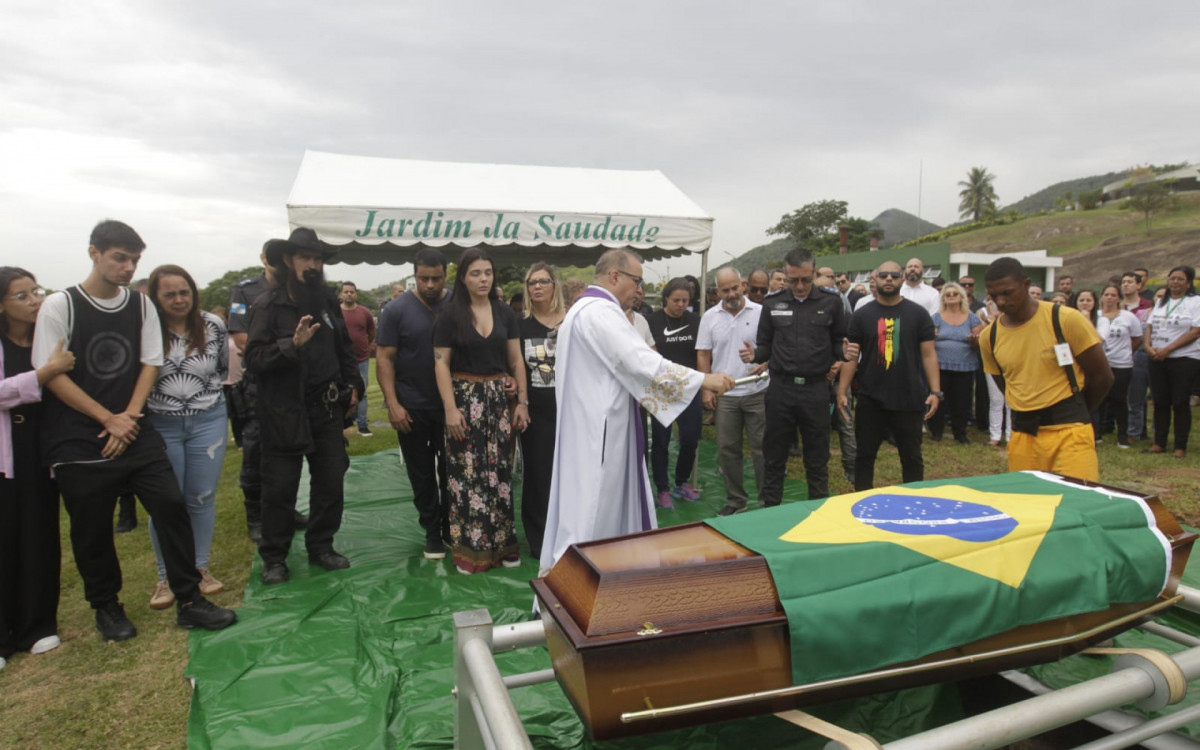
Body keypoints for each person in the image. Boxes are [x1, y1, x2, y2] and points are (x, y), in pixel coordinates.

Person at [32, 220, 236, 639]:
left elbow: (150, 362)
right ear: (94, 253)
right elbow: (50, 375)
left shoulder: (140, 305)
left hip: (134, 425)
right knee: (92, 528)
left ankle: (189, 598)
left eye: (134, 259)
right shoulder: (60, 305)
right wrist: (108, 419)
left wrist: (127, 416)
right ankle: (107, 607)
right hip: (77, 435)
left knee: (170, 505)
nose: (127, 267)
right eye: (119, 258)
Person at [540, 249, 734, 571]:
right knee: (595, 510)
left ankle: (596, 576)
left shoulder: (581, 309)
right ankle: (589, 581)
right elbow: (639, 361)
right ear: (615, 277)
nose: (640, 290)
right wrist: (704, 380)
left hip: (588, 426)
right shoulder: (601, 312)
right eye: (637, 281)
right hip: (601, 432)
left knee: (586, 507)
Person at [245, 227, 364, 585]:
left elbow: (344, 348)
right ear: (288, 260)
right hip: (284, 412)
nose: (312, 264)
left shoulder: (327, 302)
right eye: (305, 257)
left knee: (331, 481)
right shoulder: (268, 305)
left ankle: (321, 545)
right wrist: (290, 346)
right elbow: (253, 360)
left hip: (326, 409)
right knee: (280, 488)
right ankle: (275, 557)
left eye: (317, 259)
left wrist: (353, 385)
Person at [433, 248, 529, 574]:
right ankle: (471, 550)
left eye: (488, 272)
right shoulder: (449, 315)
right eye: (475, 273)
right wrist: (449, 409)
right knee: (467, 477)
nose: (483, 278)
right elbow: (441, 364)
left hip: (498, 402)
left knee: (499, 473)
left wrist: (521, 398)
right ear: (462, 277)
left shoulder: (505, 314)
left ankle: (503, 545)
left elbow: (516, 361)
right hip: (463, 401)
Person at [0, 268, 75, 669]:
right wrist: (44, 374)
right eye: (22, 296)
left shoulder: (48, 339)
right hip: (4, 454)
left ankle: (38, 624)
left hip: (40, 450)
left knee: (41, 534)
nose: (34, 301)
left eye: (36, 292)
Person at [979, 257, 1112, 480]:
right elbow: (1006, 384)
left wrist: (1076, 413)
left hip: (1070, 433)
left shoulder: (1065, 319)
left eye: (1007, 293)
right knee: (1029, 507)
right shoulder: (988, 337)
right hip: (1023, 435)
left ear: (1026, 284)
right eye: (993, 296)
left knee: (1074, 505)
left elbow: (1103, 377)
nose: (1000, 302)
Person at [144, 265, 229, 609]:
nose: (179, 300)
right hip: (161, 423)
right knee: (166, 502)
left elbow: (221, 370)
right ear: (156, 298)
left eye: (185, 292)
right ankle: (167, 575)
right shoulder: (145, 328)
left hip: (208, 419)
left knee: (202, 497)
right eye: (170, 294)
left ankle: (199, 567)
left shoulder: (213, 325)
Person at [743, 248, 847, 503]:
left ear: (814, 273)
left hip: (815, 390)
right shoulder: (772, 302)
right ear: (786, 276)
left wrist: (844, 351)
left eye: (805, 280)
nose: (799, 286)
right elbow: (766, 345)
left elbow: (838, 343)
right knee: (774, 456)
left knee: (817, 457)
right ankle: (771, 512)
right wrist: (755, 355)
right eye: (793, 280)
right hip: (781, 390)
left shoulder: (831, 302)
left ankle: (819, 514)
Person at [837, 261, 941, 490]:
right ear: (875, 279)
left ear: (902, 278)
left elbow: (928, 355)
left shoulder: (918, 314)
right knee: (864, 456)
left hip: (909, 398)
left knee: (912, 457)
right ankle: (862, 501)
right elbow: (852, 356)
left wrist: (935, 391)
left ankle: (915, 501)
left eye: (894, 275)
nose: (889, 279)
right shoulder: (862, 315)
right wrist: (842, 390)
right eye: (884, 275)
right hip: (871, 398)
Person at [376, 248, 452, 559]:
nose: (430, 285)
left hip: (451, 406)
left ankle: (451, 526)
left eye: (436, 278)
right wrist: (392, 403)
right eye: (424, 279)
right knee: (421, 472)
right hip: (412, 405)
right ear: (414, 276)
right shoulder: (396, 310)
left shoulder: (457, 304)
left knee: (452, 471)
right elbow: (384, 358)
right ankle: (432, 531)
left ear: (446, 275)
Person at [696, 268, 767, 516]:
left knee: (762, 449)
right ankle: (737, 501)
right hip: (725, 394)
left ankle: (767, 501)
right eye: (725, 290)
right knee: (728, 450)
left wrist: (766, 362)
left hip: (757, 390)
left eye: (735, 288)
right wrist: (707, 387)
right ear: (718, 292)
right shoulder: (709, 317)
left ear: (743, 285)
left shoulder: (760, 313)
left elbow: (773, 346)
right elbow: (703, 353)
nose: (731, 294)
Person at [517, 262, 564, 560]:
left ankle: (568, 532)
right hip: (535, 411)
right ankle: (538, 537)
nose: (537, 287)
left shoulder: (573, 320)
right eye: (531, 282)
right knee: (537, 474)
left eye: (543, 281)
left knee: (569, 472)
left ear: (554, 285)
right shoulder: (520, 325)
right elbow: (514, 365)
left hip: (571, 409)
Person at [646, 278, 704, 508]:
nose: (681, 305)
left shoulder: (695, 321)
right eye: (676, 300)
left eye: (685, 301)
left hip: (689, 390)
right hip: (662, 390)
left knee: (690, 439)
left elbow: (702, 352)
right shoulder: (652, 321)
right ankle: (663, 489)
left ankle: (682, 482)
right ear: (665, 299)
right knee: (661, 441)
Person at [1143, 265, 1200, 459]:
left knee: (1180, 402)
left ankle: (1180, 446)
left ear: (1189, 283)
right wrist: (1149, 347)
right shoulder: (1161, 302)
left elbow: (1195, 331)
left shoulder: (1195, 302)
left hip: (1183, 358)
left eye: (1180, 279)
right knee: (1160, 401)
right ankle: (1159, 442)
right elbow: (1150, 326)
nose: (1175, 282)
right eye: (1172, 278)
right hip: (1157, 357)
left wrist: (1168, 349)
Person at [929, 282, 982, 444]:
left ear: (961, 297)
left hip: (964, 366)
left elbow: (979, 344)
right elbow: (927, 342)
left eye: (955, 294)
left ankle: (960, 433)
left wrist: (974, 340)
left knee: (962, 401)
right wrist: (934, 336)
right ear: (943, 298)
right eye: (948, 294)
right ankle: (936, 431)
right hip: (940, 365)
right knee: (939, 398)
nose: (951, 296)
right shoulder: (936, 317)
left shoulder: (972, 317)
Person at [1096, 284, 1143, 449]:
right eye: (1106, 294)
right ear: (1101, 297)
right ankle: (1097, 434)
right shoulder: (1095, 315)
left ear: (1119, 298)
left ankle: (1122, 436)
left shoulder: (1128, 316)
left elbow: (1137, 338)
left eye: (1113, 295)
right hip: (1099, 364)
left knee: (1119, 399)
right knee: (1099, 400)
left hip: (1121, 364)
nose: (1109, 298)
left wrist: (1126, 352)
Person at [339, 281, 376, 437]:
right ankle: (341, 424)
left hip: (361, 359)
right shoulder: (335, 312)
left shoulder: (364, 312)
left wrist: (365, 346)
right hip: (340, 360)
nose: (349, 294)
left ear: (356, 294)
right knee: (339, 392)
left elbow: (371, 332)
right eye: (346, 291)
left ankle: (362, 425)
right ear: (340, 294)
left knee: (362, 392)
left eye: (352, 292)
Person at [1121, 271, 1154, 442]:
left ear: (1139, 285)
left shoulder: (1148, 306)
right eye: (1123, 282)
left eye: (1130, 282)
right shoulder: (1117, 306)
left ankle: (1136, 432)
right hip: (1119, 355)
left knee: (1137, 395)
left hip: (1140, 354)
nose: (1125, 284)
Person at [979, 296, 1011, 446]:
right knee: (996, 400)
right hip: (993, 362)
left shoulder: (1014, 317)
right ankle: (995, 435)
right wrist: (989, 319)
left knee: (1012, 401)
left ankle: (1011, 436)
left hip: (1012, 364)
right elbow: (984, 336)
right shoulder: (983, 314)